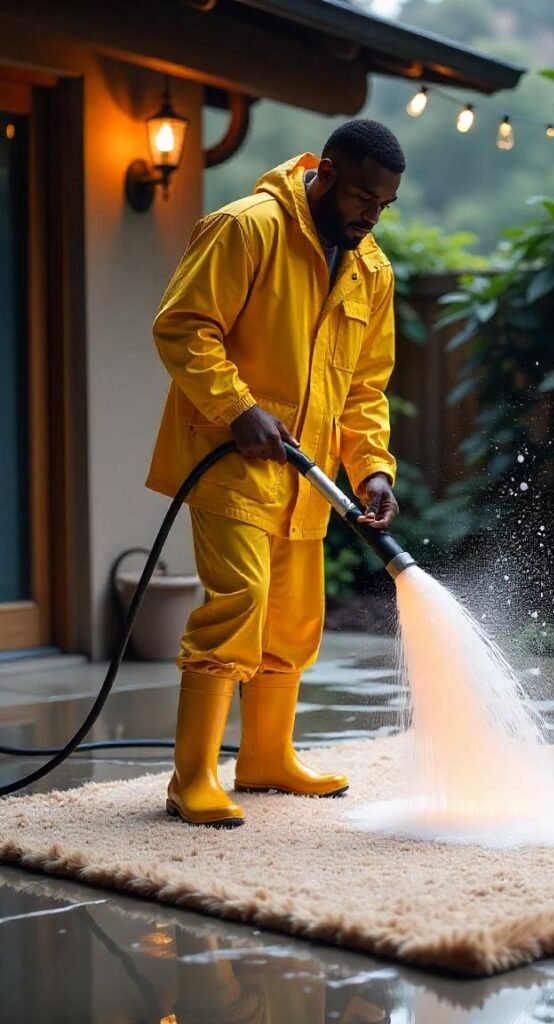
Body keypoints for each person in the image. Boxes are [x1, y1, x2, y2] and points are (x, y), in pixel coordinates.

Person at [146, 119, 404, 827]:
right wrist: (237, 409)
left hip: (306, 470)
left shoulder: (370, 268)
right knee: (240, 602)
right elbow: (183, 324)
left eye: (383, 205)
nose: (370, 215)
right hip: (229, 455)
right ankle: (192, 778)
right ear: (324, 170)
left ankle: (264, 758)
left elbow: (366, 387)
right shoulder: (246, 229)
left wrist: (372, 470)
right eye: (360, 197)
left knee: (292, 622)